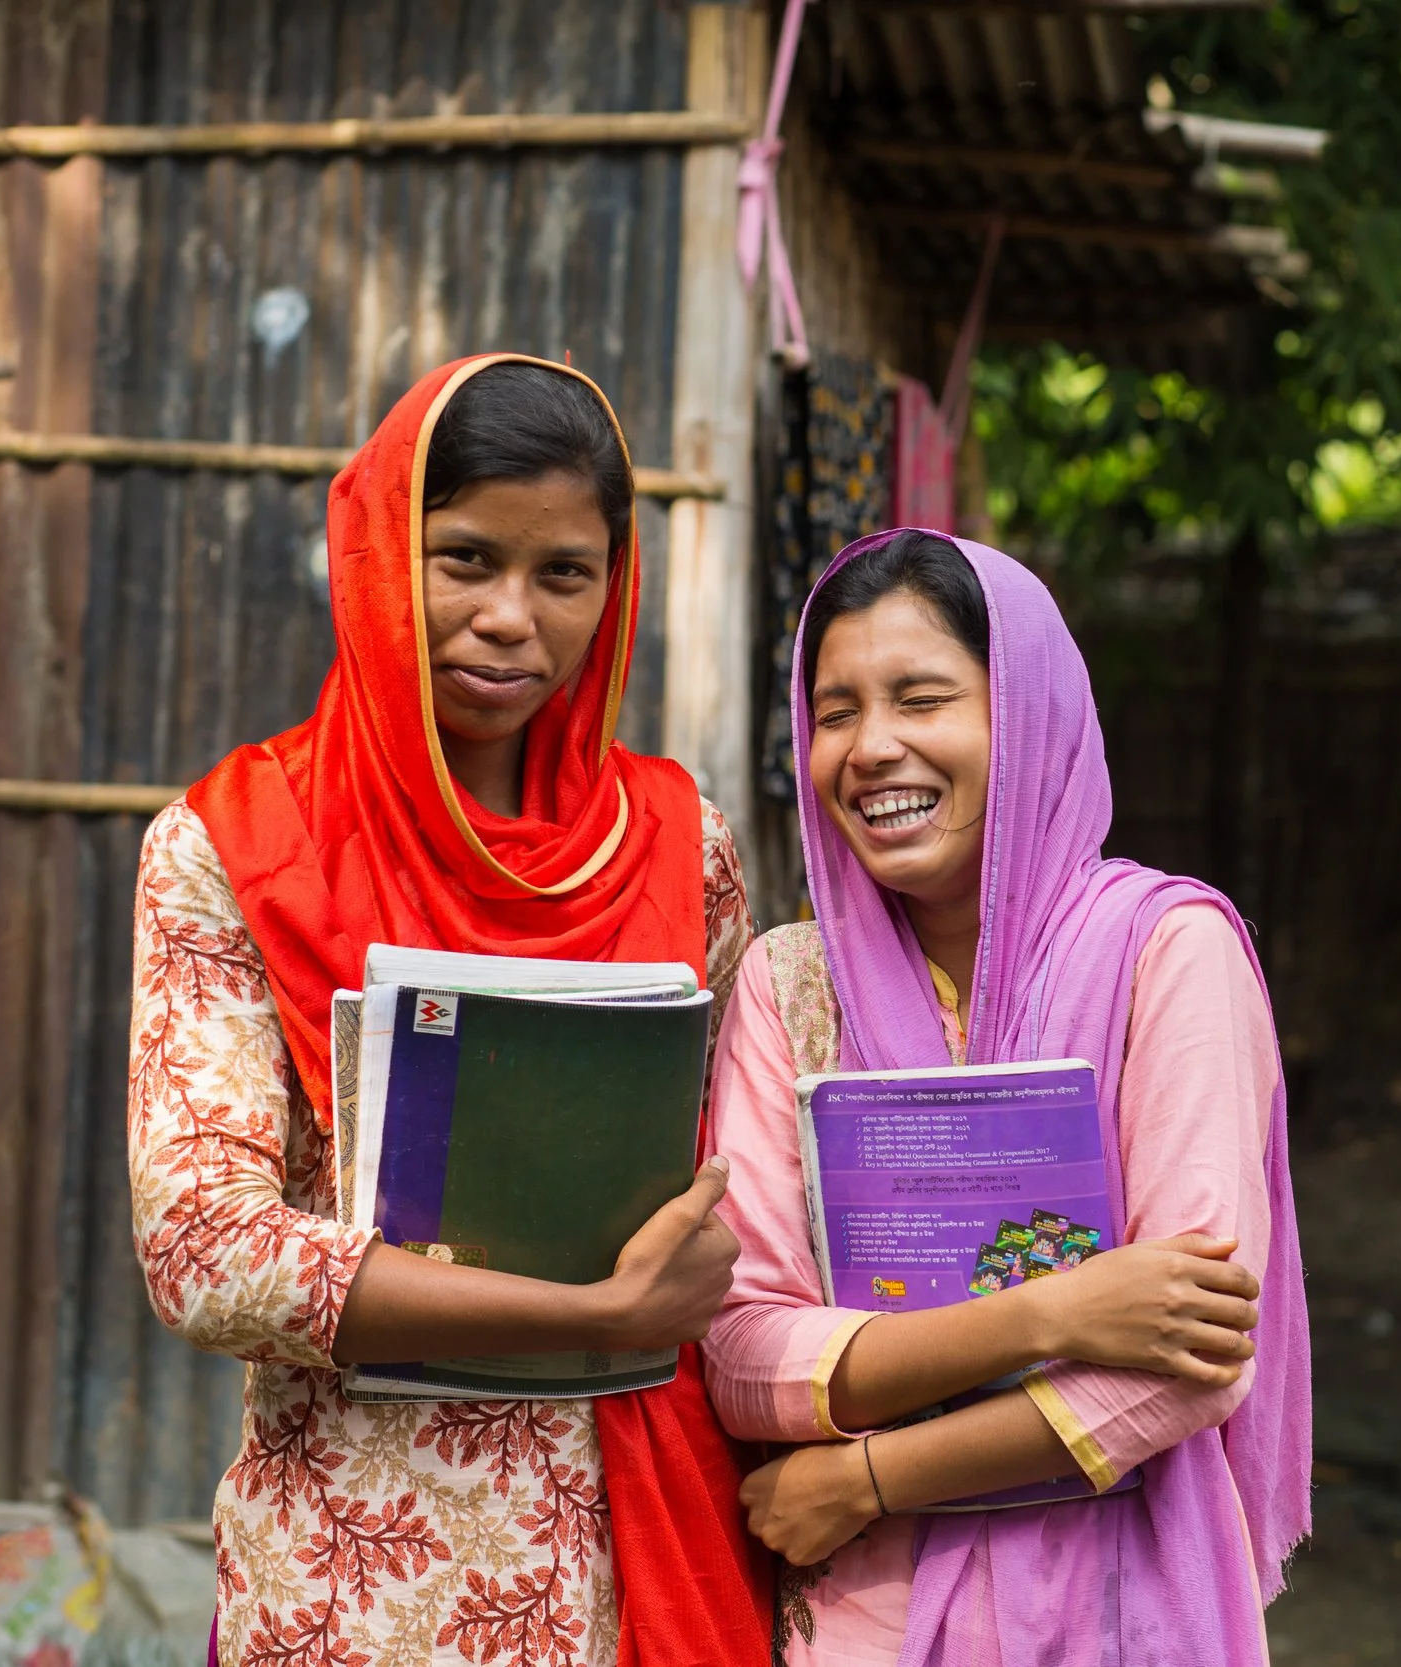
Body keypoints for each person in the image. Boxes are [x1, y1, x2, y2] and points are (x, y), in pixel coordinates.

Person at [129, 355, 769, 1667]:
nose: (508, 617)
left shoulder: (677, 842)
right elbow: (204, 1250)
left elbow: (730, 1185)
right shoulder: (232, 843)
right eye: (465, 557)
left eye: (563, 573)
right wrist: (592, 1311)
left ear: (616, 584)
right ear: (376, 554)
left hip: (636, 1549)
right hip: (358, 1573)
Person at [703, 529, 1311, 1665]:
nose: (873, 747)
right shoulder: (789, 986)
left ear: (1024, 715)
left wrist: (867, 1474)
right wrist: (1051, 1314)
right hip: (859, 1626)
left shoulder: (1164, 953)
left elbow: (1189, 1348)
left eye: (922, 697)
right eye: (834, 712)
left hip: (1119, 1607)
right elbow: (742, 1348)